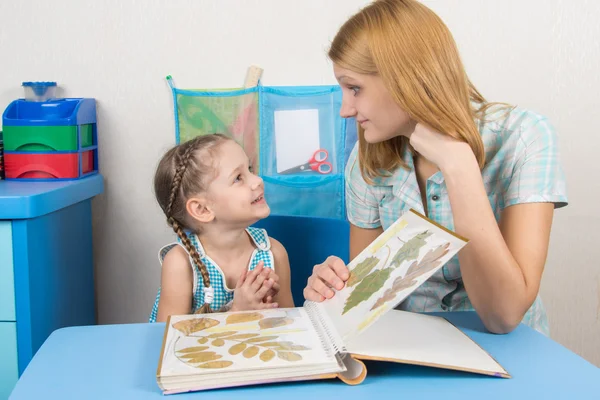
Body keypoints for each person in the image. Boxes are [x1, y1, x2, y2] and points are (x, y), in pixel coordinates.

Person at [303, 0, 567, 335]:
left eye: (354, 88)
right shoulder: (365, 158)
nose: (345, 109)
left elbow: (503, 315)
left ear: (405, 78)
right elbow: (371, 296)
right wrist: (333, 291)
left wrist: (458, 167)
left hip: (512, 355)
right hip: (411, 346)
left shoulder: (526, 137)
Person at [149, 134, 294, 323]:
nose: (257, 180)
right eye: (238, 178)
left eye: (250, 169)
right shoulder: (180, 264)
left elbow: (289, 324)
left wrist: (271, 308)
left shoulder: (274, 253)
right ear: (202, 209)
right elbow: (171, 341)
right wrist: (236, 314)